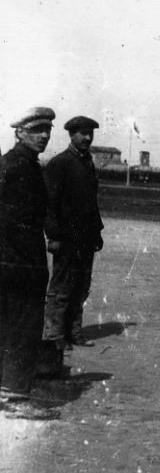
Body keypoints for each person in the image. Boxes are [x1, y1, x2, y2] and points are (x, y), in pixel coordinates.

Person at [0, 107, 59, 419]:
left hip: (8, 262)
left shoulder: (10, 162)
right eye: (37, 129)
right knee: (23, 329)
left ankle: (7, 390)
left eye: (47, 129)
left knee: (7, 327)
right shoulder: (23, 168)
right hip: (21, 264)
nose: (45, 135)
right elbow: (17, 221)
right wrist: (29, 266)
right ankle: (16, 397)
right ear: (19, 131)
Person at [41, 115, 104, 374]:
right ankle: (55, 336)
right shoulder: (60, 163)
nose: (87, 138)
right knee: (62, 287)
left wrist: (97, 231)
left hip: (86, 238)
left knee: (81, 286)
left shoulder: (87, 163)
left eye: (90, 133)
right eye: (82, 134)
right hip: (66, 239)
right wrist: (53, 236)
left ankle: (74, 333)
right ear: (71, 135)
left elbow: (91, 202)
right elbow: (49, 204)